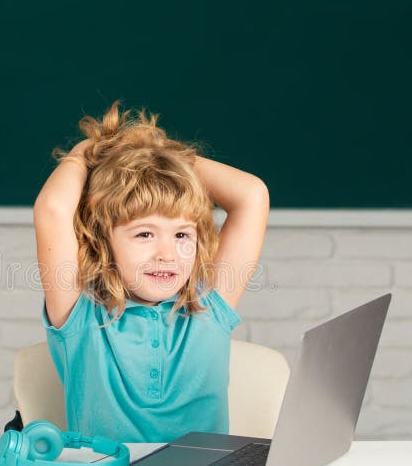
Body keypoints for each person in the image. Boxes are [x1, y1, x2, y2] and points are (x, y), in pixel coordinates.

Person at [33, 100, 269, 442]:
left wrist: (156, 154)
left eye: (182, 235)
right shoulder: (80, 318)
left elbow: (252, 194)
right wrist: (87, 154)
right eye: (144, 234)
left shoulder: (210, 309)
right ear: (103, 242)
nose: (166, 253)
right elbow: (53, 209)